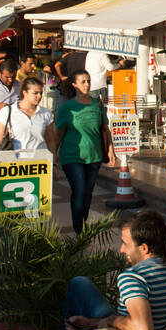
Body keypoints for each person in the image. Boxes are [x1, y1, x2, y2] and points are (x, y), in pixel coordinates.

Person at [64, 210, 166, 330]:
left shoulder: (132, 278)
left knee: (78, 283)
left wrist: (112, 320)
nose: (121, 250)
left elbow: (143, 328)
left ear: (144, 248)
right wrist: (92, 323)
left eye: (125, 243)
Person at [54, 71, 116, 232]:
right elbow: (58, 134)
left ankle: (82, 219)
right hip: (72, 156)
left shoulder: (97, 104)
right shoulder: (67, 108)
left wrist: (110, 149)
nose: (87, 85)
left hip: (94, 155)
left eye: (88, 81)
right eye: (83, 82)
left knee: (88, 192)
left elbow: (105, 129)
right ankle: (78, 228)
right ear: (74, 85)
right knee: (80, 189)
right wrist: (53, 158)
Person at [0, 76, 56, 174]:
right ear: (25, 93)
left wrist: (54, 164)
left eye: (41, 93)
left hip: (40, 165)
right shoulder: (8, 111)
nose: (39, 96)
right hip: (16, 165)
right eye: (35, 93)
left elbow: (50, 140)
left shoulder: (46, 113)